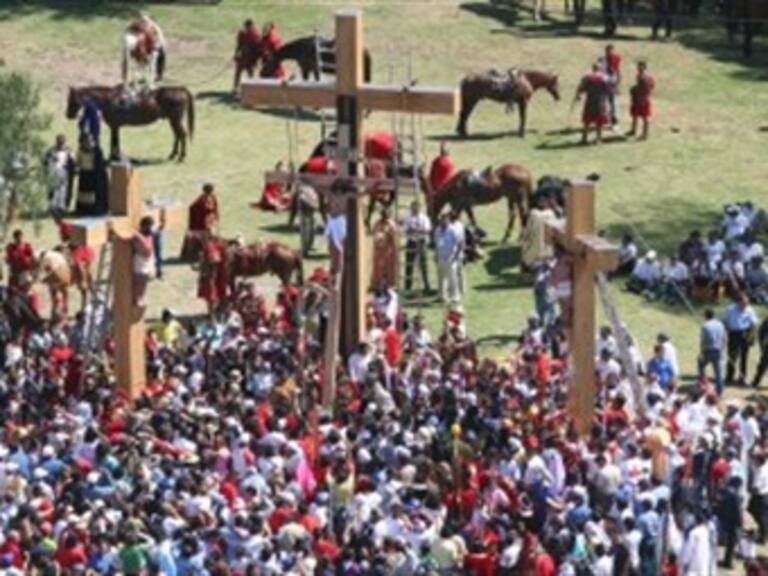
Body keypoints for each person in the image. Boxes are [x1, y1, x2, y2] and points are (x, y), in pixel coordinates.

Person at [722, 294, 759, 386]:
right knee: (732, 356)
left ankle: (742, 378)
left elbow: (754, 322)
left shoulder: (749, 310)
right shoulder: (730, 309)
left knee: (744, 357)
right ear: (738, 302)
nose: (745, 306)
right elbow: (724, 321)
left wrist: (751, 336)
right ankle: (729, 376)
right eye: (743, 304)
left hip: (744, 334)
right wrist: (724, 333)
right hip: (733, 334)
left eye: (746, 304)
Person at [574, 63, 611, 145]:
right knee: (599, 122)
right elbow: (608, 89)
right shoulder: (604, 77)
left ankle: (584, 139)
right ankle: (598, 139)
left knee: (587, 121)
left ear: (593, 68)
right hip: (600, 101)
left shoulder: (587, 77)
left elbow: (581, 87)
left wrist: (578, 95)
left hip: (590, 101)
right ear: (600, 69)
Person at [182, 183, 219, 262]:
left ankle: (211, 253)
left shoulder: (212, 197)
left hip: (210, 222)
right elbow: (193, 208)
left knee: (212, 238)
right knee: (204, 240)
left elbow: (215, 208)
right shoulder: (201, 199)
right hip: (203, 223)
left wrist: (215, 218)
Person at [74, 133, 109, 216]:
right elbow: (78, 163)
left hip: (94, 176)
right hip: (84, 174)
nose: (88, 143)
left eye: (90, 141)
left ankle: (94, 210)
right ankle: (83, 210)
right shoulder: (80, 151)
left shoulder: (97, 151)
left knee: (94, 195)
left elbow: (100, 165)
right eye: (86, 141)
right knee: (84, 195)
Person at [520, 192, 557, 270]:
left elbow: (527, 232)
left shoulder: (534, 213)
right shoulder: (551, 213)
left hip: (534, 251)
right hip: (548, 251)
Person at [401, 200, 432, 294]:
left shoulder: (424, 218)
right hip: (411, 242)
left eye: (416, 207)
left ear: (419, 208)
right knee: (409, 265)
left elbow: (427, 230)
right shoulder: (407, 217)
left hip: (421, 242)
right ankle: (407, 287)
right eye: (412, 207)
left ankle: (427, 286)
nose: (414, 209)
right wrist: (412, 230)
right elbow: (405, 230)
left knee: (423, 265)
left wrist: (417, 229)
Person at [434, 212, 463, 303]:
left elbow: (460, 243)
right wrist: (436, 255)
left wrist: (455, 256)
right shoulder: (437, 230)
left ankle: (455, 296)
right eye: (442, 220)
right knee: (441, 277)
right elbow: (436, 244)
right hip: (440, 256)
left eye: (445, 220)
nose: (443, 221)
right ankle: (442, 295)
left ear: (448, 220)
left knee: (452, 278)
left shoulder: (453, 230)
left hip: (450, 257)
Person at [45, 134, 75, 219]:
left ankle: (62, 208)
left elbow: (73, 163)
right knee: (52, 190)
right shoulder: (51, 151)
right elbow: (45, 162)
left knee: (63, 191)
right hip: (53, 174)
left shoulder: (68, 151)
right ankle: (52, 207)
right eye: (59, 142)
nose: (60, 144)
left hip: (64, 174)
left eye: (62, 142)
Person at [699, 308, 727, 394]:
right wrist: (723, 348)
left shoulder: (705, 326)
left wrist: (702, 352)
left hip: (708, 350)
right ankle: (720, 391)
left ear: (705, 316)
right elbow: (724, 338)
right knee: (718, 372)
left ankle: (703, 384)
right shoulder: (721, 325)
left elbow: (703, 340)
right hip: (719, 350)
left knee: (701, 365)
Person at [132, 216, 156, 308]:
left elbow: (148, 250)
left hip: (147, 262)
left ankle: (140, 298)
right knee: (140, 282)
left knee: (144, 282)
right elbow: (146, 250)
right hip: (141, 263)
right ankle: (137, 299)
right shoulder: (137, 236)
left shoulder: (148, 235)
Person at [371, 208, 399, 289]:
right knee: (378, 267)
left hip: (388, 249)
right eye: (383, 214)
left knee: (389, 267)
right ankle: (377, 284)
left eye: (386, 215)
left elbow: (394, 236)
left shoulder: (391, 224)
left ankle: (390, 285)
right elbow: (374, 233)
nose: (384, 216)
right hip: (379, 249)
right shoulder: (377, 223)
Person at [629, 60, 655, 141]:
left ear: (644, 67)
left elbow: (651, 86)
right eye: (638, 66)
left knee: (645, 117)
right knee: (635, 115)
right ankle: (633, 130)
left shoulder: (646, 76)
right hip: (637, 98)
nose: (638, 67)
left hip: (643, 99)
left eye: (640, 66)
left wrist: (644, 94)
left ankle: (645, 135)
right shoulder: (639, 75)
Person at [233, 19, 262, 90]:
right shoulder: (242, 34)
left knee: (250, 74)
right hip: (242, 57)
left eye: (248, 27)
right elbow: (239, 45)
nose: (247, 28)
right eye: (246, 27)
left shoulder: (256, 35)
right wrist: (236, 54)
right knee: (238, 72)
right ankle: (235, 88)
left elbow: (258, 48)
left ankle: (250, 89)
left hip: (250, 58)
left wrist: (256, 59)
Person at [599, 44, 621, 126]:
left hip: (612, 81)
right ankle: (605, 118)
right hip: (604, 81)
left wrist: (618, 83)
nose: (609, 52)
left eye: (610, 50)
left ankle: (614, 118)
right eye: (607, 50)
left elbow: (617, 70)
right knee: (604, 101)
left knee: (613, 101)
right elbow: (600, 70)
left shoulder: (616, 58)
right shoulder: (602, 59)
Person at [751, 316, 768, 389]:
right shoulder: (766, 321)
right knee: (762, 365)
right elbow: (761, 332)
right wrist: (762, 345)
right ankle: (755, 382)